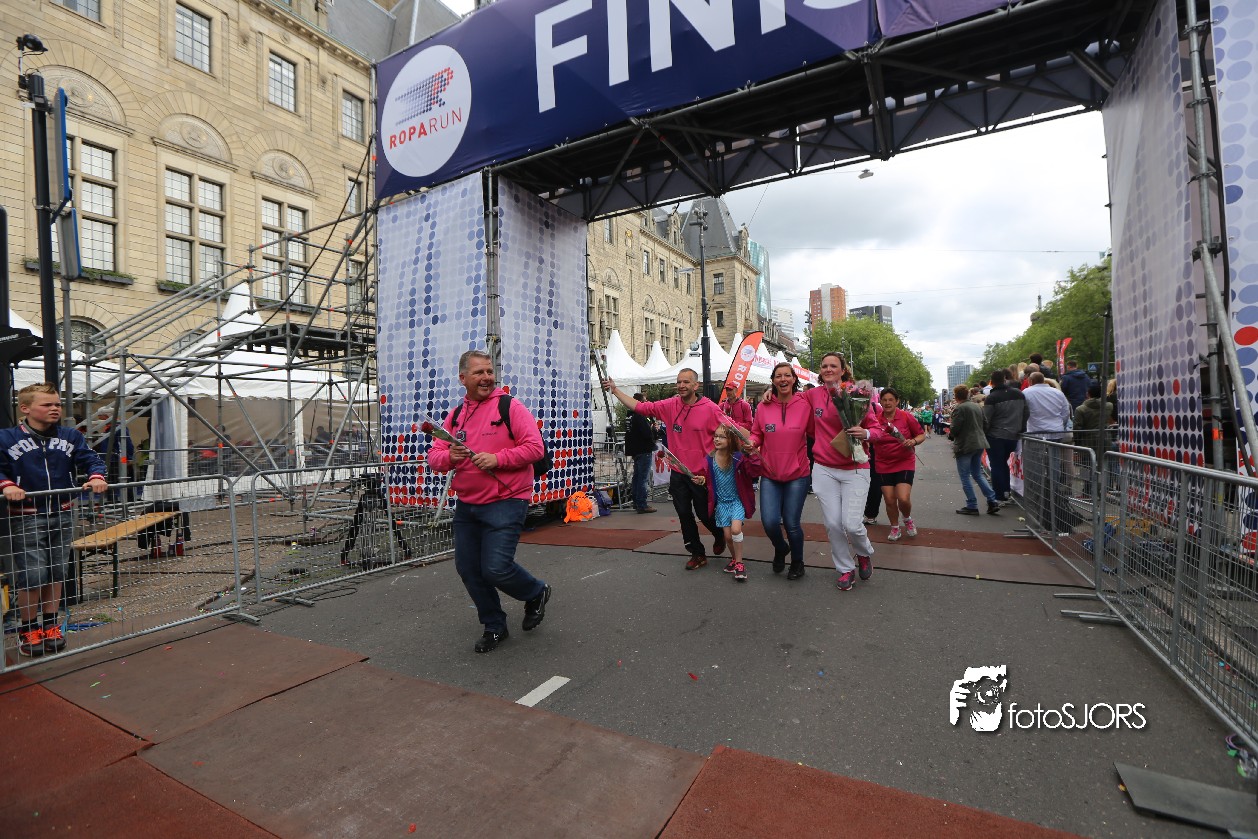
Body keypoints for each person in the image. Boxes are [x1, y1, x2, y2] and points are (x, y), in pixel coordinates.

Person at [427, 350, 550, 654]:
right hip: (467, 505)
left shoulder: (510, 406)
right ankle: (494, 625)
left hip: (507, 500)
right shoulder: (456, 415)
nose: (486, 378)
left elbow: (535, 448)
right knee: (469, 569)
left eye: (489, 372)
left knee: (495, 568)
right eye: (479, 373)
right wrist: (449, 456)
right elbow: (434, 458)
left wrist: (498, 459)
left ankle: (536, 592)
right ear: (463, 378)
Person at [0, 384, 108, 656]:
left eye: (57, 404)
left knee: (57, 571)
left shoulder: (70, 436)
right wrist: (6, 484)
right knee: (33, 574)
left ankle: (50, 625)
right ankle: (28, 629)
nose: (55, 409)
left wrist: (96, 475)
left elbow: (91, 458)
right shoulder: (6, 438)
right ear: (25, 408)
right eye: (47, 404)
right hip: (27, 515)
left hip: (62, 512)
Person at [604, 369, 724, 569]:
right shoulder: (670, 405)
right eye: (679, 382)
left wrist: (751, 443)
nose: (681, 385)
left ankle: (719, 534)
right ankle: (697, 553)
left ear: (696, 386)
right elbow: (641, 407)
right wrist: (615, 391)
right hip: (678, 472)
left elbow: (730, 430)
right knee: (684, 514)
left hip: (701, 475)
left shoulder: (710, 408)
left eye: (686, 382)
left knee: (704, 514)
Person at [805, 352, 886, 592]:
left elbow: (877, 430)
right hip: (824, 468)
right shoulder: (812, 395)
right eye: (824, 366)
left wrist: (866, 434)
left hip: (856, 468)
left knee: (851, 524)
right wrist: (771, 393)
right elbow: (789, 400)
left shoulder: (857, 393)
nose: (828, 369)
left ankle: (863, 552)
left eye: (833, 366)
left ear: (843, 370)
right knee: (833, 524)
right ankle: (845, 569)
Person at [751, 362, 811, 579]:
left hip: (798, 474)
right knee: (769, 522)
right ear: (773, 381)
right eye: (778, 376)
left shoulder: (805, 404)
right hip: (770, 474)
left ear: (794, 379)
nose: (783, 379)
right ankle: (781, 547)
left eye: (787, 375)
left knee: (791, 523)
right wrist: (751, 442)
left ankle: (797, 562)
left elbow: (818, 431)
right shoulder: (763, 406)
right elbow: (756, 433)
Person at [693, 425, 760, 582]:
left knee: (736, 530)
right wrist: (701, 479)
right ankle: (735, 559)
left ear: (731, 440)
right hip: (721, 504)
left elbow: (754, 471)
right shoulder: (709, 459)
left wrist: (752, 454)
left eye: (722, 436)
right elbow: (706, 477)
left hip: (736, 501)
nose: (717, 439)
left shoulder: (738, 457)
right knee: (728, 537)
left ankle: (740, 564)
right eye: (715, 436)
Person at [869, 387, 925, 541]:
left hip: (904, 461)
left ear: (897, 401)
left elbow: (921, 435)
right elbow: (869, 436)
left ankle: (907, 518)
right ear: (880, 402)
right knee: (889, 499)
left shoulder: (906, 417)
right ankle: (895, 527)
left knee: (903, 498)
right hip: (883, 463)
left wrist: (913, 441)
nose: (887, 403)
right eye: (884, 400)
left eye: (891, 400)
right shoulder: (875, 420)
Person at [950, 384, 1000, 516]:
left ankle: (972, 505)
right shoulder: (977, 406)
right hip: (979, 443)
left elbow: (955, 429)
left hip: (965, 445)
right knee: (977, 474)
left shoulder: (959, 408)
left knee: (965, 476)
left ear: (956, 396)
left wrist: (952, 433)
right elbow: (985, 424)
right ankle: (992, 500)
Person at [982, 369, 1028, 505]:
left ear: (992, 382)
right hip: (1013, 435)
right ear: (1004, 380)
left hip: (995, 436)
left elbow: (986, 419)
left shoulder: (992, 397)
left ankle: (999, 496)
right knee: (1003, 463)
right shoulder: (1019, 394)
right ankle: (1006, 492)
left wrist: (984, 433)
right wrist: (1021, 428)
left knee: (997, 465)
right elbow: (1026, 413)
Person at [624, 394, 658, 514]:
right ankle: (642, 504)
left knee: (637, 477)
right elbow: (646, 433)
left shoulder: (630, 415)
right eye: (644, 401)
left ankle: (636, 501)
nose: (646, 403)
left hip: (635, 450)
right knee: (642, 478)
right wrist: (653, 430)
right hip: (643, 449)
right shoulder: (640, 415)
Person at [1023, 372, 1073, 439]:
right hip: (1056, 431)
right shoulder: (1058, 393)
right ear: (1043, 380)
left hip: (1035, 432)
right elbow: (1066, 412)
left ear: (1030, 381)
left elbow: (1023, 411)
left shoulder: (1026, 392)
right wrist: (1061, 424)